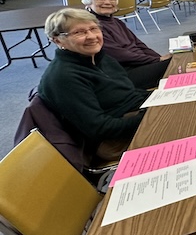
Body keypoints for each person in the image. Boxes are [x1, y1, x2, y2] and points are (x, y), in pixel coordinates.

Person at [38, 8, 149, 163]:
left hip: (134, 116)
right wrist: (151, 116)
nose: (91, 37)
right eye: (79, 32)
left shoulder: (99, 58)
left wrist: (160, 100)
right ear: (57, 40)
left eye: (94, 29)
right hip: (115, 140)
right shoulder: (64, 77)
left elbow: (129, 93)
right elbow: (100, 129)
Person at [81, 0, 171, 90]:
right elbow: (120, 55)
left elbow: (139, 44)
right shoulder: (92, 27)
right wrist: (157, 61)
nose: (107, 2)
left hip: (140, 64)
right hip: (124, 73)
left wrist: (158, 58)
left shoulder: (116, 22)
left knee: (176, 61)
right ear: (88, 1)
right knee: (175, 66)